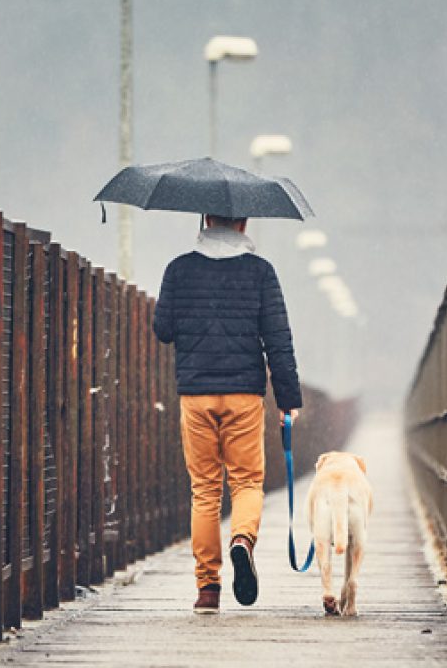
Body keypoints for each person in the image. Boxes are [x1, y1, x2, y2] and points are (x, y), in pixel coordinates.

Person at [152, 214, 302, 614]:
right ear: (243, 222)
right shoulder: (260, 272)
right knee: (247, 482)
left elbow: (162, 328)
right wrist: (288, 398)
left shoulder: (179, 269)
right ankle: (241, 540)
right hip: (243, 395)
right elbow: (278, 339)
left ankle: (207, 589)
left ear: (205, 220)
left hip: (195, 394)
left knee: (204, 489)